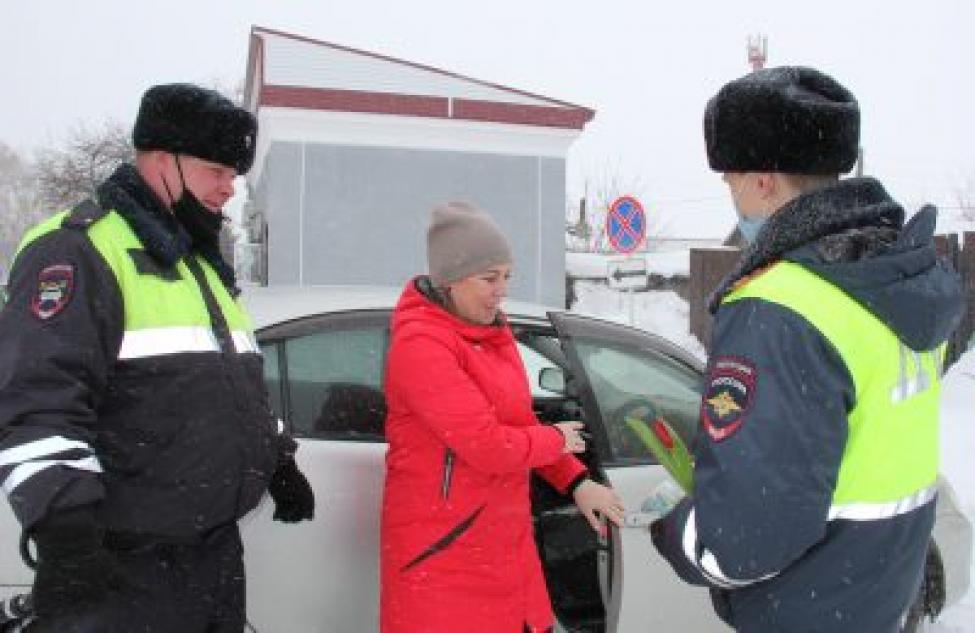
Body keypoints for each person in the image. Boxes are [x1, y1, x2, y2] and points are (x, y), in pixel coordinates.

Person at [649, 66, 965, 632]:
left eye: (731, 181)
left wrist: (677, 534)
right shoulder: (891, 279)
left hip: (804, 610)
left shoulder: (780, 307)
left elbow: (746, 538)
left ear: (765, 181)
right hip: (875, 596)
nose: (733, 197)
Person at [0, 83, 315, 632]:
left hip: (211, 558)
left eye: (235, 174)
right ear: (160, 157)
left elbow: (230, 385)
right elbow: (36, 403)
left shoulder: (198, 262)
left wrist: (277, 456)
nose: (229, 188)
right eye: (217, 169)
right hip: (122, 567)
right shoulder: (78, 250)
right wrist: (63, 527)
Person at [380, 202, 626, 633]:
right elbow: (487, 445)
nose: (501, 290)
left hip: (502, 549)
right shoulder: (420, 346)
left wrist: (576, 480)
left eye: (507, 277)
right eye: (489, 278)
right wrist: (555, 440)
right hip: (442, 556)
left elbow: (519, 425)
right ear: (450, 281)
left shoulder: (493, 333)